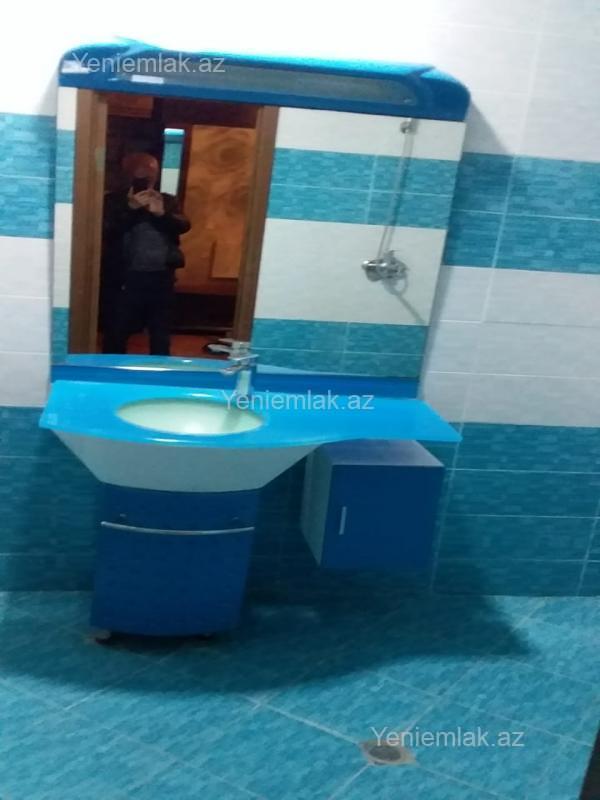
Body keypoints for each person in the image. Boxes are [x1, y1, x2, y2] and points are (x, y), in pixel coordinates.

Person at [100, 152, 191, 355]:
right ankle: (113, 370)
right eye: (140, 171)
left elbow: (184, 226)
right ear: (128, 174)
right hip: (124, 278)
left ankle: (160, 371)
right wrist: (130, 208)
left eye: (151, 172)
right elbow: (107, 231)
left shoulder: (166, 200)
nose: (146, 176)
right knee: (116, 331)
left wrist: (161, 214)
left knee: (160, 333)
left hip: (161, 277)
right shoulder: (113, 201)